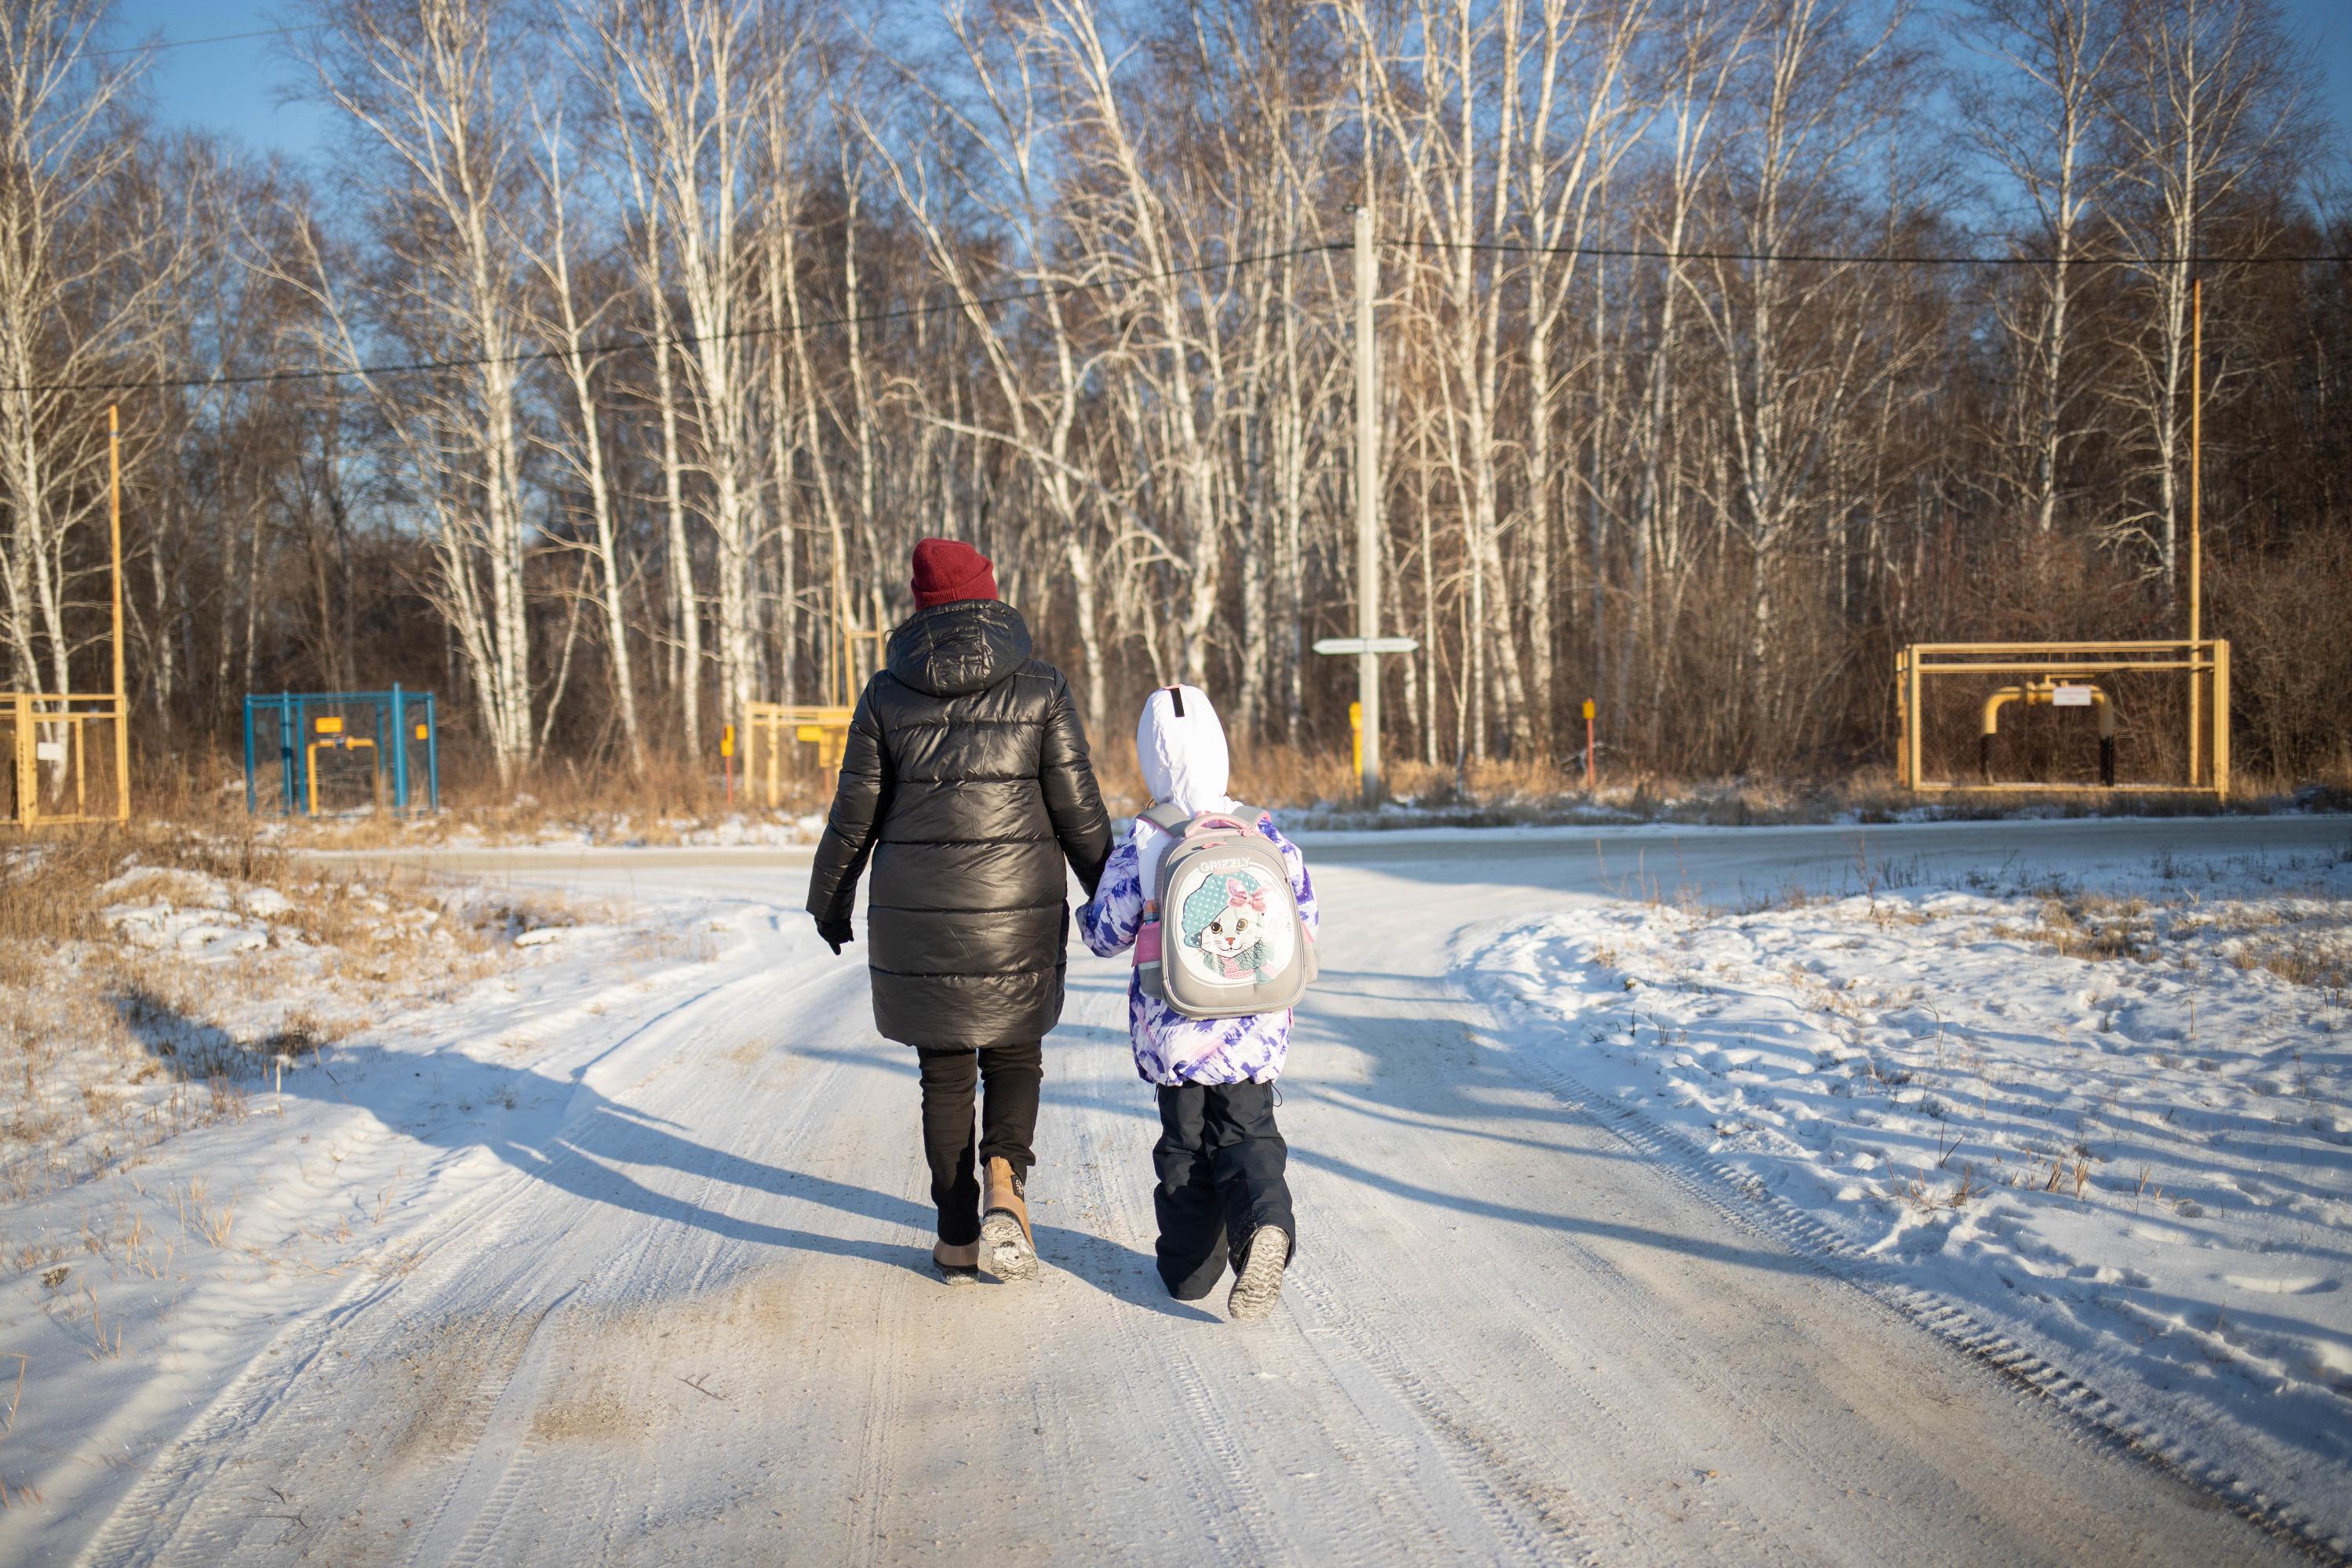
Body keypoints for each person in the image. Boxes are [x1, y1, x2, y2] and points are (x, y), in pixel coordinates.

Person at [807, 539, 1111, 1283]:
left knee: (944, 1075)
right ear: (989, 595)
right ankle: (1006, 1182)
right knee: (1015, 1052)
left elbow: (855, 814)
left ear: (920, 608)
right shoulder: (1041, 686)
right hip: (1017, 911)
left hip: (924, 922)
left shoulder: (885, 693)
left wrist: (830, 896)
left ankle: (954, 1236)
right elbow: (1079, 809)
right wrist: (1113, 891)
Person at [1078, 684, 1317, 1322]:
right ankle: (1264, 1222)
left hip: (1175, 1031)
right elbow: (1307, 921)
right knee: (1249, 1134)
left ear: (1149, 762)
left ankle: (1189, 1271)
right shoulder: (1263, 830)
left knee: (1184, 1149)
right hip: (1255, 1024)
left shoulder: (1146, 838)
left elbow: (1106, 934)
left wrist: (1085, 907)